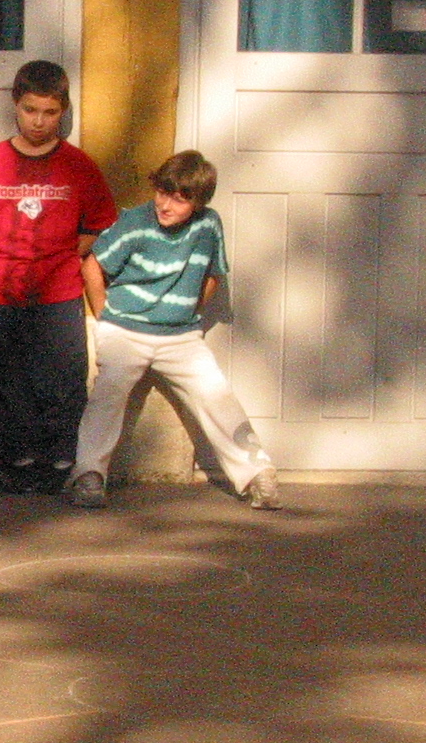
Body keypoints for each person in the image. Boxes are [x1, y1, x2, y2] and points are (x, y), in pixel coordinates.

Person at [67, 150, 280, 511]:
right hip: (125, 330)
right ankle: (89, 474)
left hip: (180, 336)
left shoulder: (208, 225)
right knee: (109, 392)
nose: (166, 205)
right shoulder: (134, 222)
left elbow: (213, 275)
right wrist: (105, 318)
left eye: (180, 199)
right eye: (163, 193)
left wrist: (188, 312)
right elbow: (92, 265)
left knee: (215, 393)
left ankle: (257, 473)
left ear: (199, 203)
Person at [0, 61, 119, 493]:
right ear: (16, 105)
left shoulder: (78, 165)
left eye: (50, 113)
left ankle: (62, 460)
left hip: (59, 291)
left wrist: (63, 254)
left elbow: (100, 222)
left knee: (63, 379)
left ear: (63, 111)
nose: (38, 121)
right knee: (8, 380)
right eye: (30, 110)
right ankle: (18, 462)